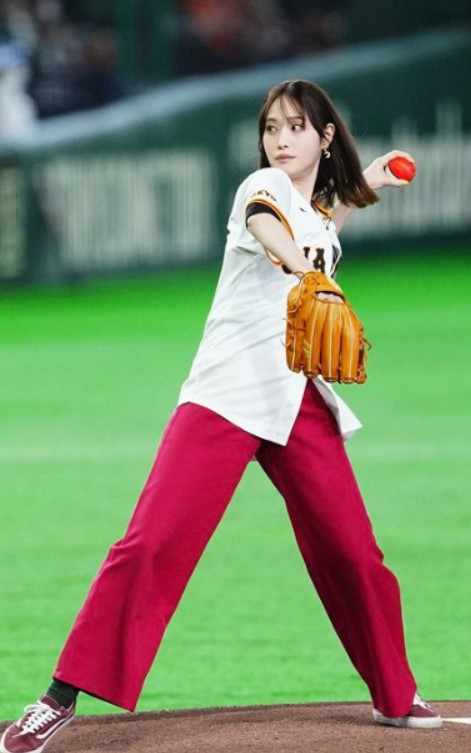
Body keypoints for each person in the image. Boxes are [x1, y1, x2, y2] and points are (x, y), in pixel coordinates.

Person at [0, 79, 442, 753]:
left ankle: (394, 692)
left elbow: (321, 224)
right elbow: (272, 226)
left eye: (296, 127)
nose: (280, 139)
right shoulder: (260, 186)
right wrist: (303, 269)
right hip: (224, 397)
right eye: (272, 127)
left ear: (325, 137)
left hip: (297, 403)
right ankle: (58, 698)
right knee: (152, 544)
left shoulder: (315, 210)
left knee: (354, 551)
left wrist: (368, 184)